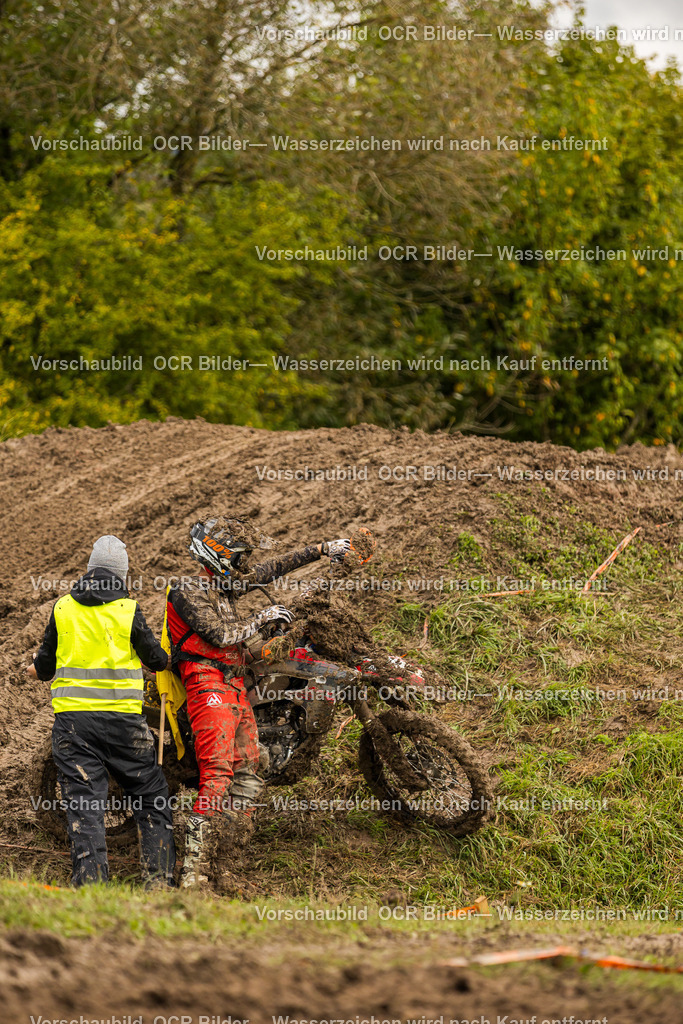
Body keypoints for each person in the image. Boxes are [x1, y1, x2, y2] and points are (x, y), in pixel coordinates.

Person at [167, 515, 350, 889]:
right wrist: (261, 617)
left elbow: (268, 571)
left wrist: (320, 550)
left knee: (250, 773)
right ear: (219, 554)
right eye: (240, 557)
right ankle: (192, 873)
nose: (244, 564)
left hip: (233, 683)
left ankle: (224, 863)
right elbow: (218, 634)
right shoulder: (186, 589)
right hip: (204, 682)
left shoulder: (224, 588)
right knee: (217, 775)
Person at [28, 535, 175, 888]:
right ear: (121, 574)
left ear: (90, 569)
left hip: (74, 727)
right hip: (124, 724)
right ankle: (158, 883)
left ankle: (91, 889)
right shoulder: (128, 610)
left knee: (84, 806)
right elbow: (156, 660)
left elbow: (44, 667)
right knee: (152, 795)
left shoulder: (63, 608)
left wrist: (33, 668)